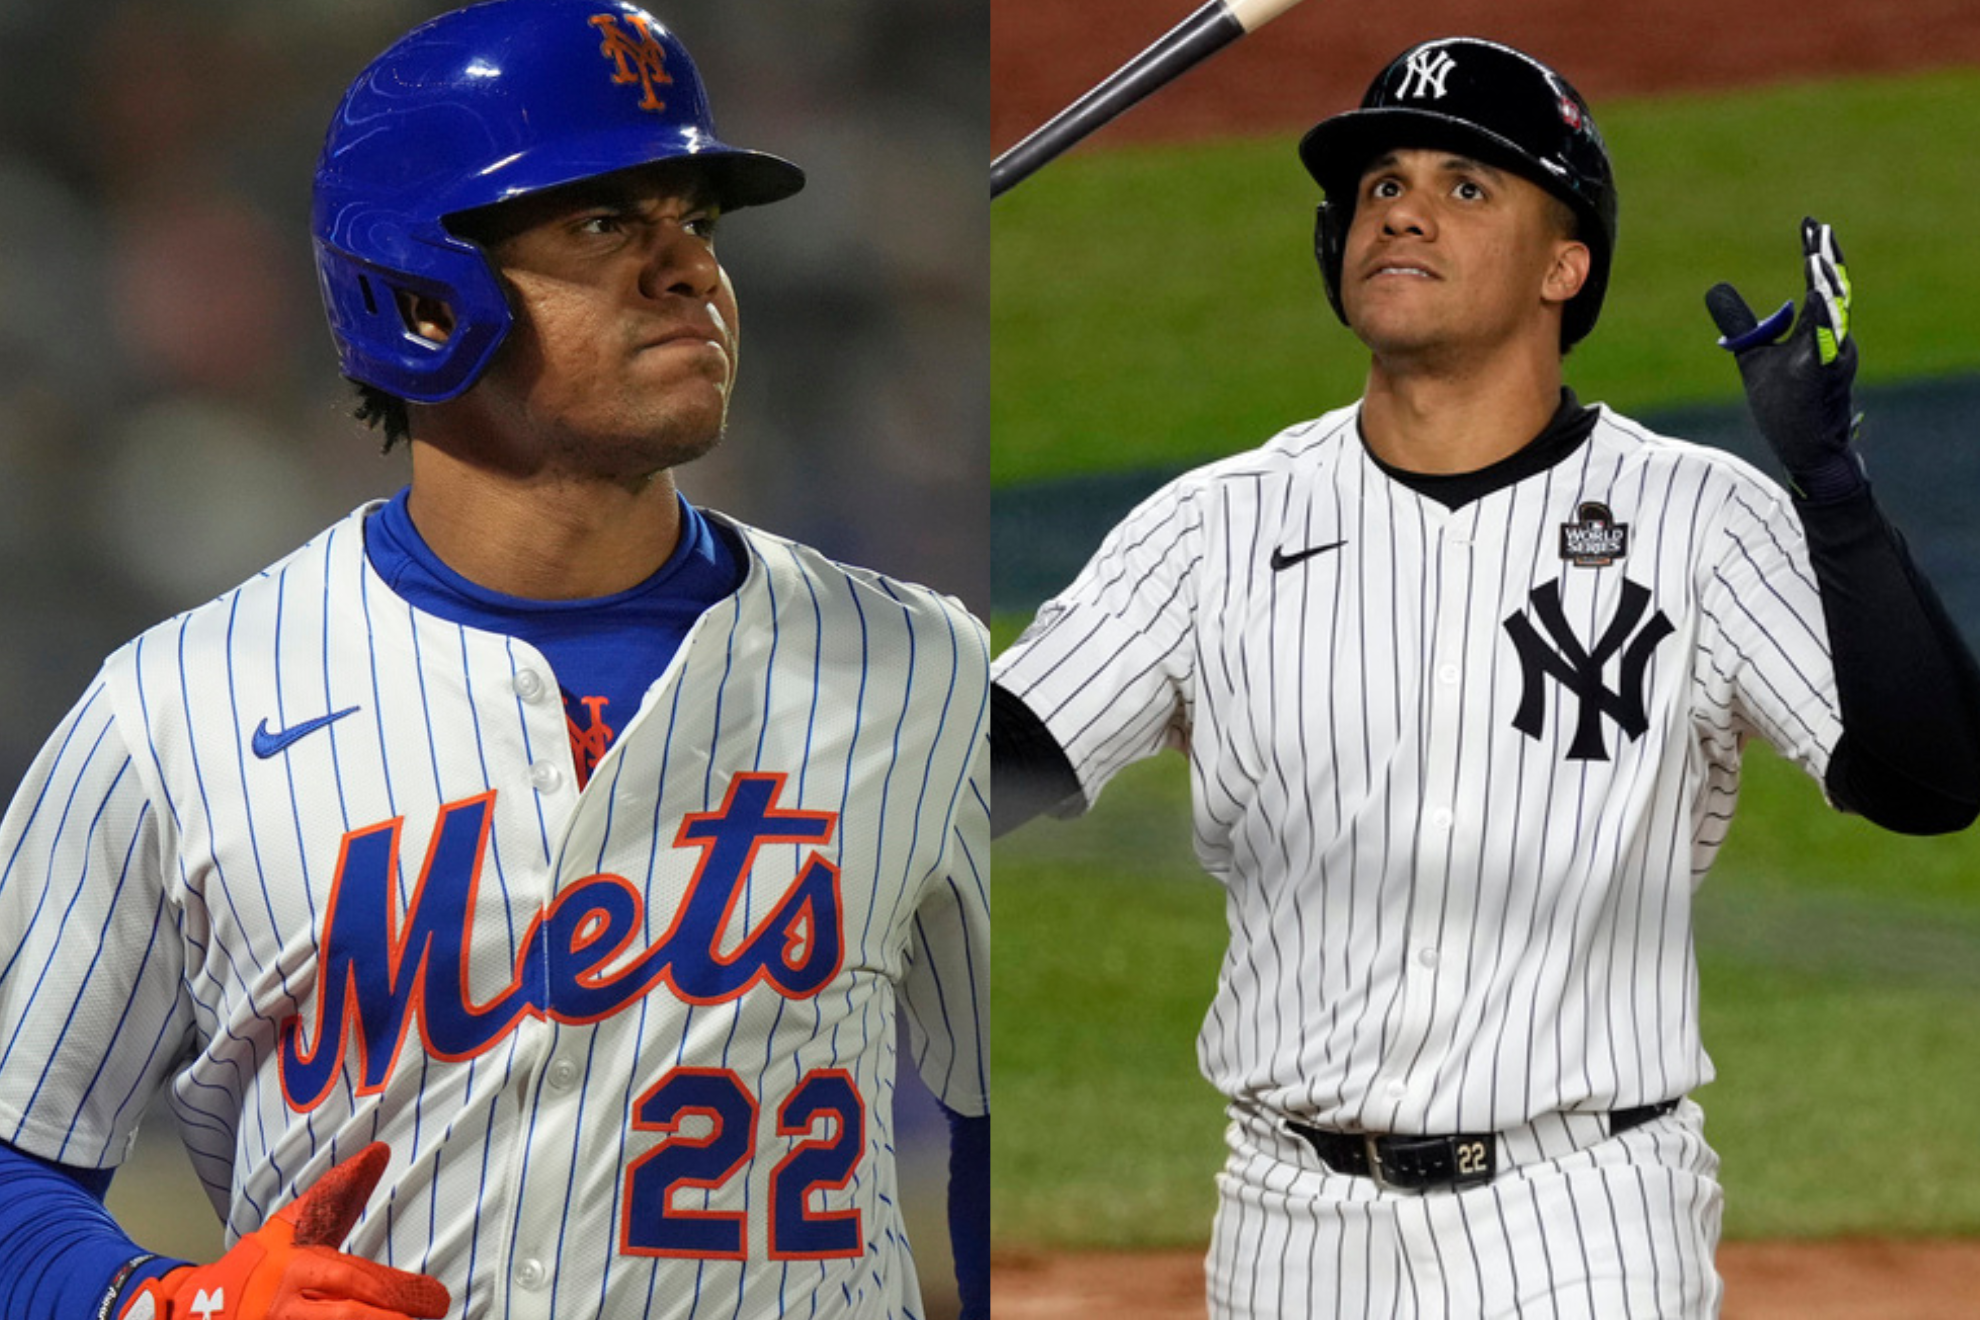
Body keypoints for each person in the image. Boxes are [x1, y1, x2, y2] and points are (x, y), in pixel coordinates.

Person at [0, 2, 988, 1318]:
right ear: (418, 292)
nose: (689, 266)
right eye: (602, 225)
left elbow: (1002, 1134)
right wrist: (171, 1306)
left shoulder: (929, 675)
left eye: (694, 219)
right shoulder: (174, 709)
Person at [991, 34, 1980, 1318]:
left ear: (1566, 266)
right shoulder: (1211, 529)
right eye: (1382, 183)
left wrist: (1836, 498)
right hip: (1289, 1228)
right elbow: (982, 776)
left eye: (1467, 187)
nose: (1401, 205)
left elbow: (1933, 781)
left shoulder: (1700, 521)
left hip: (1584, 1221)